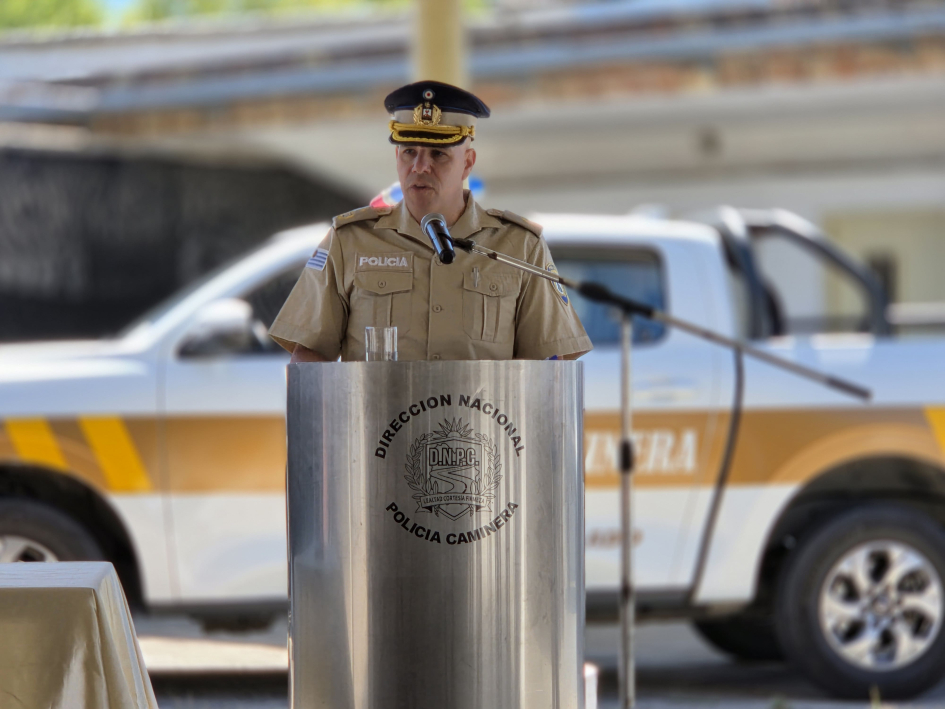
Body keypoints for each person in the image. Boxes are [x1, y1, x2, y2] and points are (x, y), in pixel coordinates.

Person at [269, 80, 592, 362]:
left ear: (467, 163)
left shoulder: (518, 246)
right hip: (376, 427)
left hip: (481, 431)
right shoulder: (350, 241)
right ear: (397, 157)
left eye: (438, 155)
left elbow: (548, 359)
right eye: (409, 151)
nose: (420, 167)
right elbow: (310, 353)